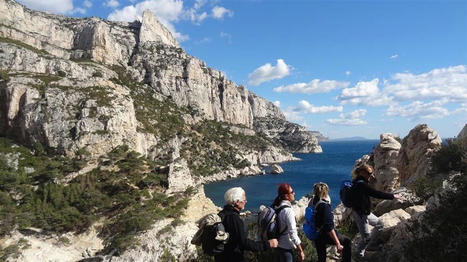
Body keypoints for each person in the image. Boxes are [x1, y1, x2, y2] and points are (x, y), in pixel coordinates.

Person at [215, 187, 278, 262]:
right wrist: (267, 245)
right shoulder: (234, 219)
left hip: (220, 257)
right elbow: (243, 243)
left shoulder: (221, 214)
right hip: (232, 257)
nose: (246, 202)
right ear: (237, 202)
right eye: (244, 200)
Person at [351, 164, 401, 257]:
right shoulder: (361, 184)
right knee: (366, 237)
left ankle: (371, 246)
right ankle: (359, 255)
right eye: (369, 173)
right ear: (362, 173)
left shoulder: (359, 182)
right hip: (361, 214)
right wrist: (392, 196)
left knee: (380, 225)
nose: (371, 175)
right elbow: (376, 193)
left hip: (366, 213)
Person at [311, 182, 351, 262]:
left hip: (316, 233)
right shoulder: (325, 206)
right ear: (325, 192)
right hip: (325, 234)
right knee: (347, 241)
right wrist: (338, 243)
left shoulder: (313, 201)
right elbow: (329, 227)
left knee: (321, 258)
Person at [272, 183, 304, 262]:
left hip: (277, 246)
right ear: (286, 196)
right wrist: (301, 250)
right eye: (292, 192)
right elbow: (292, 233)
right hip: (286, 248)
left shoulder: (276, 206)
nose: (294, 193)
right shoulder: (288, 211)